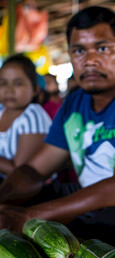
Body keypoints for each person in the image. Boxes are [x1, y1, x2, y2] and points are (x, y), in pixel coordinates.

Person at [0, 6, 115, 253]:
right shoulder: (74, 104)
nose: (90, 60)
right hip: (90, 195)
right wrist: (4, 198)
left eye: (103, 48)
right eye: (79, 50)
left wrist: (32, 215)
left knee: (92, 227)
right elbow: (34, 169)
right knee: (26, 198)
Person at [0, 54, 51, 182]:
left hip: (31, 193)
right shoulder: (1, 112)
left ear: (35, 89)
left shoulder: (33, 116)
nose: (9, 90)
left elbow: (21, 174)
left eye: (18, 84)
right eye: (3, 83)